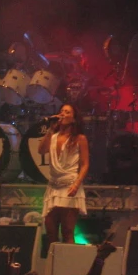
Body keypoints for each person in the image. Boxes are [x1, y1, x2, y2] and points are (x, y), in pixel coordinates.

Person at [38, 103, 89, 249]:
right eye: (61, 111)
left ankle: (68, 267)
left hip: (70, 186)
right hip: (53, 186)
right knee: (51, 232)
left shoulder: (80, 138)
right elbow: (41, 150)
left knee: (67, 232)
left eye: (67, 112)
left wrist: (76, 184)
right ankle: (52, 268)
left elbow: (85, 164)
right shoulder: (53, 137)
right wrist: (50, 130)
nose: (63, 114)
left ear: (73, 118)